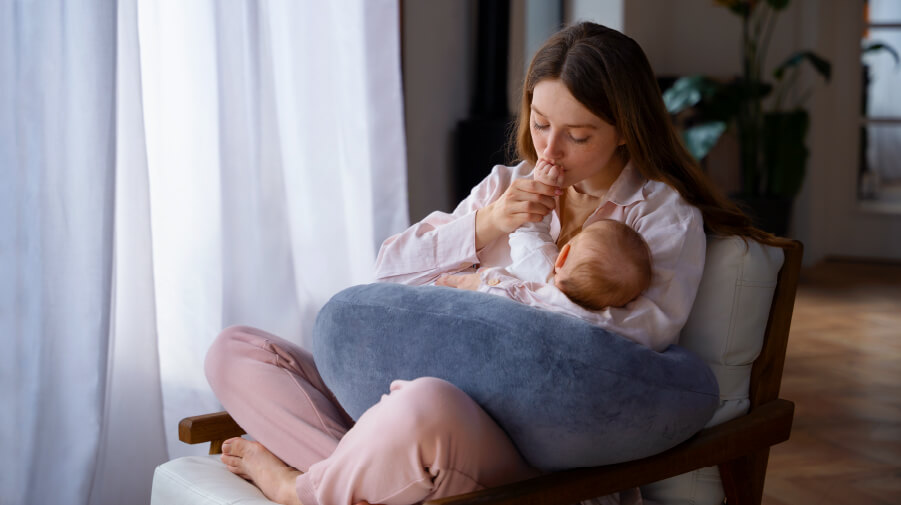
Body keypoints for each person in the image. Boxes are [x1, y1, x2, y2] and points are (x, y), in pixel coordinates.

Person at [204, 21, 774, 505]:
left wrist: (506, 277)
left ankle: (300, 489)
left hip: (522, 438)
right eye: (541, 123)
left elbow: (622, 343)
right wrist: (488, 225)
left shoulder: (663, 218)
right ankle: (376, 467)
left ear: (626, 128)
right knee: (237, 351)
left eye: (577, 135)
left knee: (424, 404)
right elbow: (384, 279)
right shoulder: (505, 187)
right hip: (404, 407)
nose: (548, 152)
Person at [437, 158, 653, 312]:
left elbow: (531, 226)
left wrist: (544, 185)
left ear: (563, 254)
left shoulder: (539, 262)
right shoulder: (575, 315)